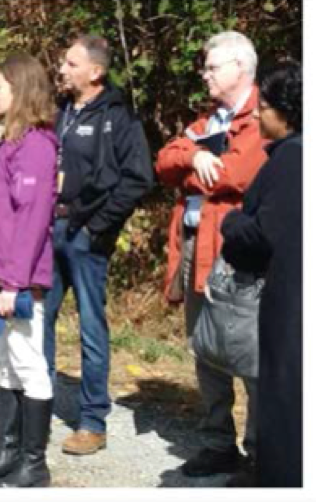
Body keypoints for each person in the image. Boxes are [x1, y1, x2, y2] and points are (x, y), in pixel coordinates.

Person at [156, 31, 268, 482]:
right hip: (194, 250)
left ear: (241, 68)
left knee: (249, 354)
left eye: (213, 67)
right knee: (205, 350)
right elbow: (164, 162)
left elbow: (238, 175)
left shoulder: (261, 116)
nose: (204, 74)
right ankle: (218, 442)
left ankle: (261, 450)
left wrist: (194, 170)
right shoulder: (207, 121)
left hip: (236, 258)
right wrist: (195, 154)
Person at [44, 34, 153, 455]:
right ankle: (38, 404)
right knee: (39, 320)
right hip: (50, 233)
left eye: (71, 63)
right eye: (63, 62)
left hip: (86, 238)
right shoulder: (61, 111)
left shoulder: (119, 116)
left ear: (96, 71)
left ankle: (92, 421)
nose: (63, 69)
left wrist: (99, 227)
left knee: (91, 327)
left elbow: (138, 177)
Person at [0, 54, 58, 488]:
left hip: (16, 278)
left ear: (19, 90)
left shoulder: (36, 146)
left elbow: (33, 219)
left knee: (28, 363)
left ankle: (34, 461)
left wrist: (14, 282)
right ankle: (9, 450)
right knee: (5, 364)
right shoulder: (6, 142)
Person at [219, 60, 302, 488]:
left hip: (291, 305)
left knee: (287, 401)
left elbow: (264, 234)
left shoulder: (292, 159)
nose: (255, 114)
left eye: (264, 105)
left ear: (286, 111)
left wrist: (230, 222)